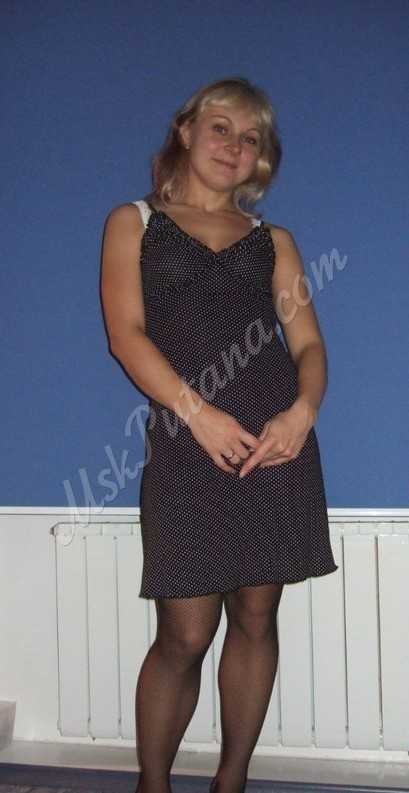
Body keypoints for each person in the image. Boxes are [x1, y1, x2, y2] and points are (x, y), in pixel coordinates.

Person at [101, 76, 338, 793]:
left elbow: (308, 345)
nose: (234, 145)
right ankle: (153, 784)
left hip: (275, 446)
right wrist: (196, 414)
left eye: (250, 136)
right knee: (183, 634)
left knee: (257, 617)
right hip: (187, 444)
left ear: (260, 157)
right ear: (186, 130)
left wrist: (301, 413)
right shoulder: (134, 222)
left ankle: (230, 781)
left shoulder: (275, 241)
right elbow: (126, 335)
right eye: (221, 127)